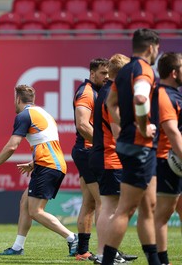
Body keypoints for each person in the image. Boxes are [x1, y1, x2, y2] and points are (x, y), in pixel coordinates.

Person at [0, 84, 78, 256]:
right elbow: (48, 142)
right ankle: (18, 247)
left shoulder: (24, 115)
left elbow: (12, 146)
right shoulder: (43, 113)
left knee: (35, 211)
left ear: (17, 99)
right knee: (25, 203)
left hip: (48, 165)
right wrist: (33, 163)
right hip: (50, 164)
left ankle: (72, 238)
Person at [102, 28, 160, 265]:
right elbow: (141, 98)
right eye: (157, 48)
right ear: (150, 48)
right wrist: (142, 125)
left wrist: (125, 123)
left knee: (148, 206)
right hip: (139, 146)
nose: (158, 52)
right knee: (125, 209)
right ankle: (107, 261)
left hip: (129, 143)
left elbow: (110, 102)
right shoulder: (144, 70)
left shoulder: (125, 71)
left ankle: (155, 260)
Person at [90, 54, 138, 264]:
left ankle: (107, 252)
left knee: (110, 206)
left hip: (105, 156)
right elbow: (119, 134)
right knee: (111, 207)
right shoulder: (113, 96)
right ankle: (104, 254)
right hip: (111, 157)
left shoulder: (105, 92)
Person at [72, 58, 109, 260]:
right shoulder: (87, 92)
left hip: (86, 151)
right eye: (103, 73)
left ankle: (83, 251)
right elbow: (82, 125)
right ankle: (107, 252)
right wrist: (103, 143)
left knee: (89, 203)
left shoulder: (95, 91)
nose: (106, 77)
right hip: (88, 151)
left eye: (108, 73)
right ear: (92, 73)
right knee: (105, 201)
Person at [153, 52, 182, 265]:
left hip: (175, 160)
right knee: (163, 215)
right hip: (167, 161)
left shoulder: (172, 94)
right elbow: (172, 132)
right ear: (174, 72)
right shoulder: (164, 95)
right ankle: (162, 261)